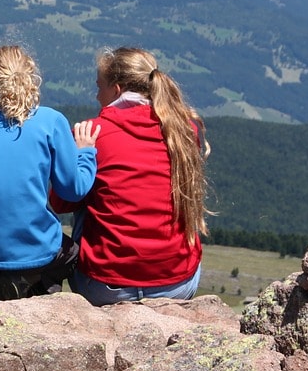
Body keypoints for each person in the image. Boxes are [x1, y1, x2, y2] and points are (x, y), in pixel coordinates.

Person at [0, 45, 99, 299]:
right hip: (35, 253)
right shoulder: (51, 122)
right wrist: (85, 153)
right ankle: (33, 284)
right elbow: (73, 190)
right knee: (72, 252)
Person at [51, 46, 209, 305]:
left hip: (104, 287)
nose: (96, 94)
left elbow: (59, 202)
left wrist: (82, 156)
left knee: (85, 202)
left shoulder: (92, 133)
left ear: (117, 89)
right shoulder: (184, 131)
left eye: (99, 86)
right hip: (177, 284)